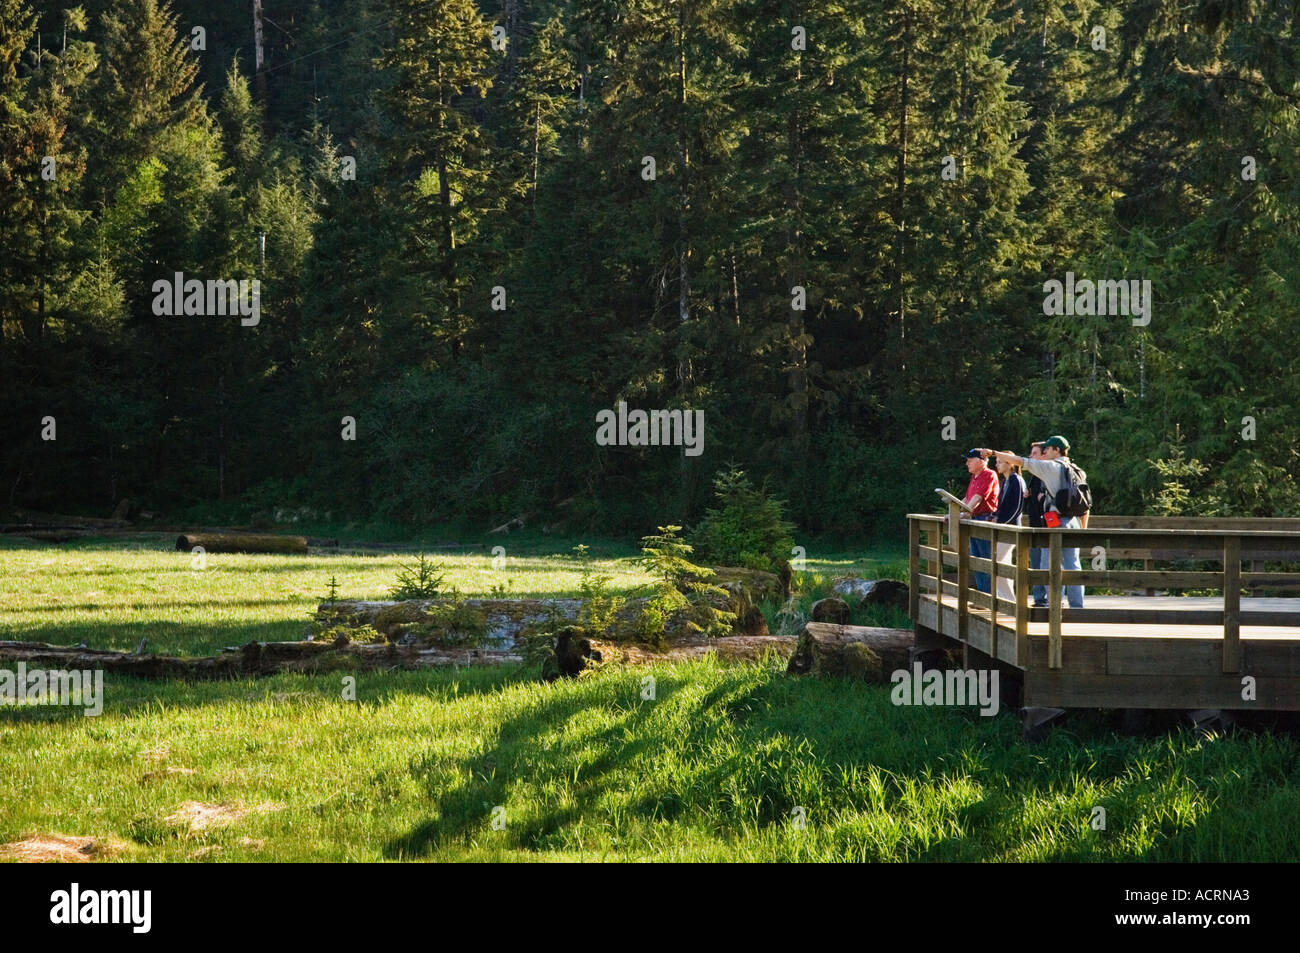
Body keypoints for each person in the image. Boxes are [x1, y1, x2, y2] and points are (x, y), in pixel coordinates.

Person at [981, 436, 1084, 608]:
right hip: (1074, 521)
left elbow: (1020, 461)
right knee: (1073, 565)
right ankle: (1077, 607)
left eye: (1047, 449)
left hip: (1055, 522)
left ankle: (1054, 607)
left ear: (1056, 450)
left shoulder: (1050, 467)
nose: (1045, 452)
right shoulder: (1077, 469)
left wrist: (993, 453)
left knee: (1048, 566)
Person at [960, 449, 999, 594]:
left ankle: (987, 595)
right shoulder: (975, 477)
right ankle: (981, 594)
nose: (967, 463)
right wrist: (954, 513)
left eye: (970, 460)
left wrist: (963, 513)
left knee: (985, 558)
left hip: (985, 518)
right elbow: (967, 499)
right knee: (976, 558)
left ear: (980, 462)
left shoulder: (988, 474)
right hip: (975, 518)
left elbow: (977, 499)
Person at [992, 454, 1026, 603]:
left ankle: (1009, 600)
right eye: (997, 462)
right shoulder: (1006, 481)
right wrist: (994, 516)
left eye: (1000, 462)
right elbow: (1002, 506)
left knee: (998, 562)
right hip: (1003, 528)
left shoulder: (1016, 480)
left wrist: (1002, 521)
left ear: (1010, 464)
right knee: (1002, 563)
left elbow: (1017, 507)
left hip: (1011, 529)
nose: (997, 465)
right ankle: (1005, 599)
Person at [1022, 442, 1051, 607]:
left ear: (1043, 455)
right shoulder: (1035, 476)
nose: (1031, 456)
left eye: (1034, 453)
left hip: (1046, 527)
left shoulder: (1048, 475)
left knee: (1046, 564)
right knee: (1036, 563)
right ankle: (1040, 598)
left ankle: (1050, 598)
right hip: (1035, 526)